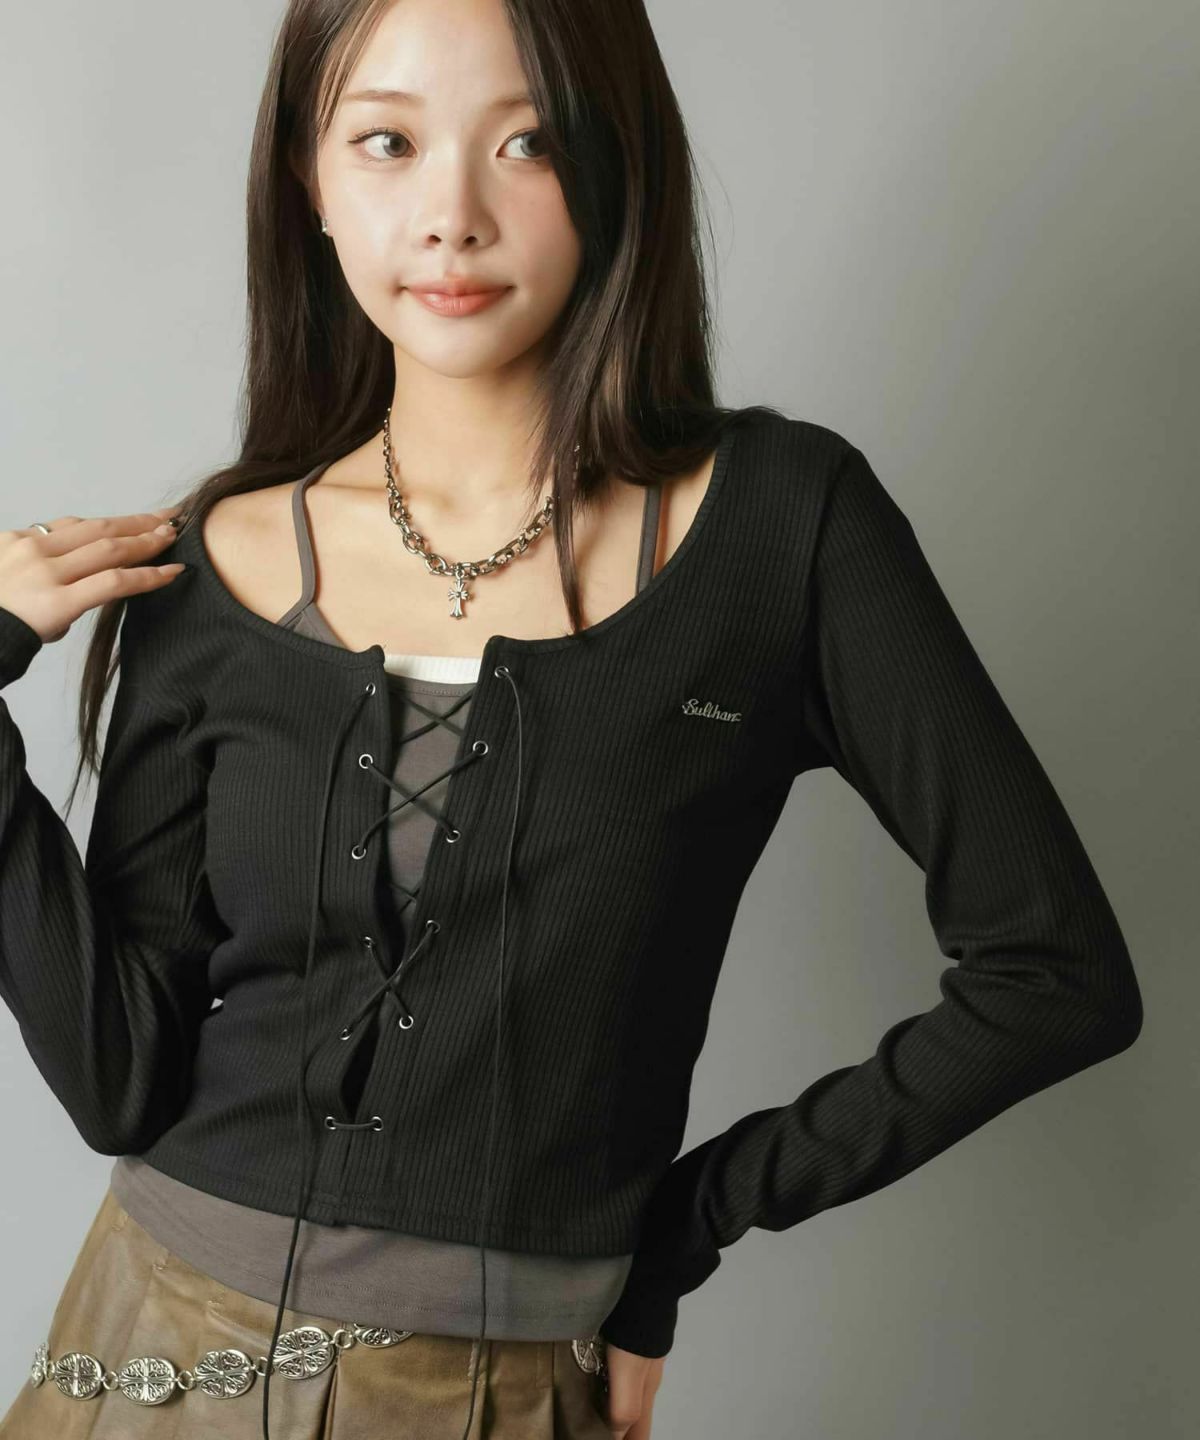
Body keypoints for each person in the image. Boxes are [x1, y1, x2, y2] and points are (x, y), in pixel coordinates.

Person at [0, 0, 1144, 1437]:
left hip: (494, 1389)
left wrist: (688, 1222)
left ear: (616, 164)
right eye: (387, 143)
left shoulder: (783, 530)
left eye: (527, 140)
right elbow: (118, 1078)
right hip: (143, 1357)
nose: (451, 216)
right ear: (309, 180)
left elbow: (1056, 974)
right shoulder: (209, 566)